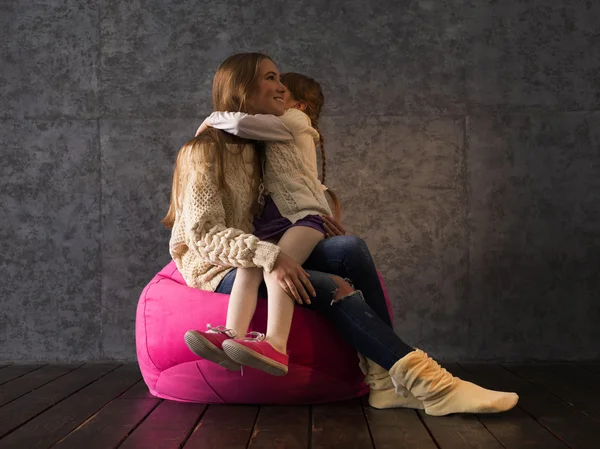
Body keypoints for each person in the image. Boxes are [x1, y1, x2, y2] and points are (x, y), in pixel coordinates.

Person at [163, 52, 519, 416]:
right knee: (331, 286)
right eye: (270, 77)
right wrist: (271, 255)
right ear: (241, 88)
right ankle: (431, 385)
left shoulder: (262, 143)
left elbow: (289, 191)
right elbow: (203, 234)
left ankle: (383, 381)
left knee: (348, 248)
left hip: (265, 249)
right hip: (221, 264)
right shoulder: (203, 151)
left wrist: (316, 211)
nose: (281, 85)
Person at [184, 73, 342, 378]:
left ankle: (276, 347)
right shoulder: (275, 133)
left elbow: (242, 124)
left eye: (281, 96)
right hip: (277, 222)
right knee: (248, 266)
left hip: (303, 218)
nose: (274, 99)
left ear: (299, 104)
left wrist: (211, 120)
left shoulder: (294, 119)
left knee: (275, 269)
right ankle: (229, 337)